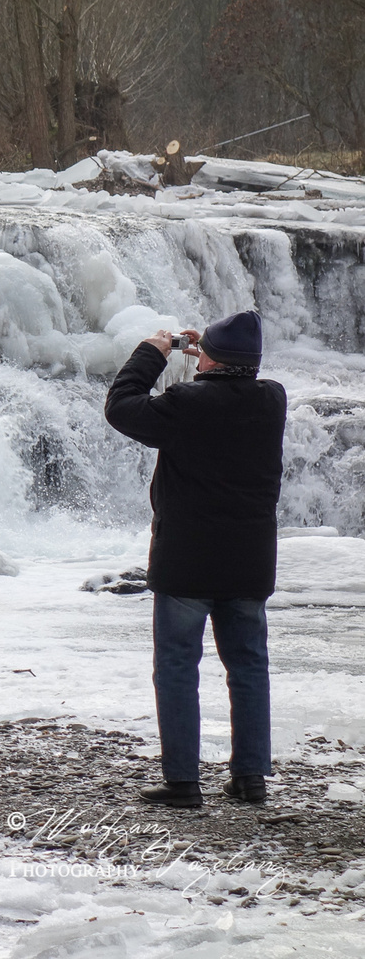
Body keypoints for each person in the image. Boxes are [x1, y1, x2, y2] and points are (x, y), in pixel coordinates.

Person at [104, 310, 286, 808]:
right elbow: (231, 381)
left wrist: (152, 353)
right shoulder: (272, 400)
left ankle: (183, 783)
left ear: (211, 359)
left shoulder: (186, 403)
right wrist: (210, 357)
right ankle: (250, 779)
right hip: (249, 562)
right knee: (248, 667)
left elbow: (121, 407)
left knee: (179, 667)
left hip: (187, 561)